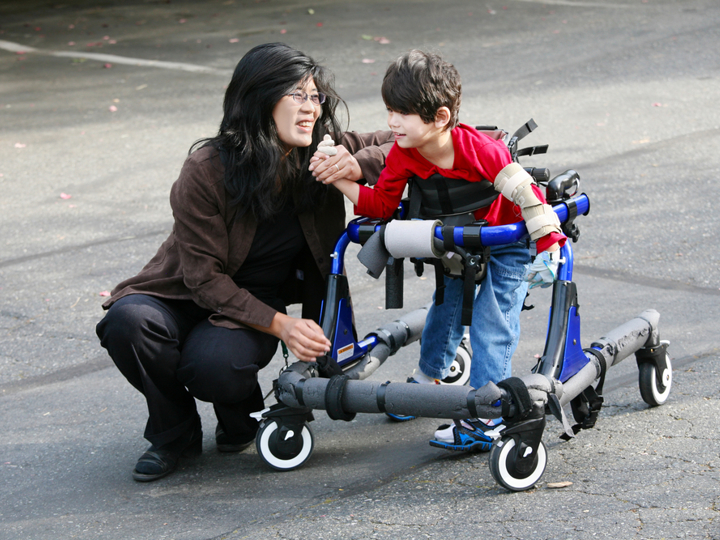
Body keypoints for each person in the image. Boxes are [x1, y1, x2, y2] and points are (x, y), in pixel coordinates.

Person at [96, 42, 393, 482]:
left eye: (315, 96)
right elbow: (202, 278)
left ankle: (240, 420)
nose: (310, 107)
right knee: (127, 322)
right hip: (183, 292)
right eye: (297, 95)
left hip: (251, 301)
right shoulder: (206, 169)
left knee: (214, 367)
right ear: (258, 99)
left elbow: (409, 139)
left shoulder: (321, 153)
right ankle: (172, 433)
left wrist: (357, 161)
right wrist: (283, 326)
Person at [314, 50, 566, 452]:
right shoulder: (404, 154)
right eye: (389, 111)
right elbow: (379, 205)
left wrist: (548, 246)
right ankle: (427, 382)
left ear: (441, 118)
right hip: (457, 238)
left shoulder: (479, 149)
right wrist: (338, 179)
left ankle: (489, 413)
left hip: (508, 240)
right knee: (444, 304)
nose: (392, 122)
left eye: (402, 113)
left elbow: (527, 193)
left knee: (491, 318)